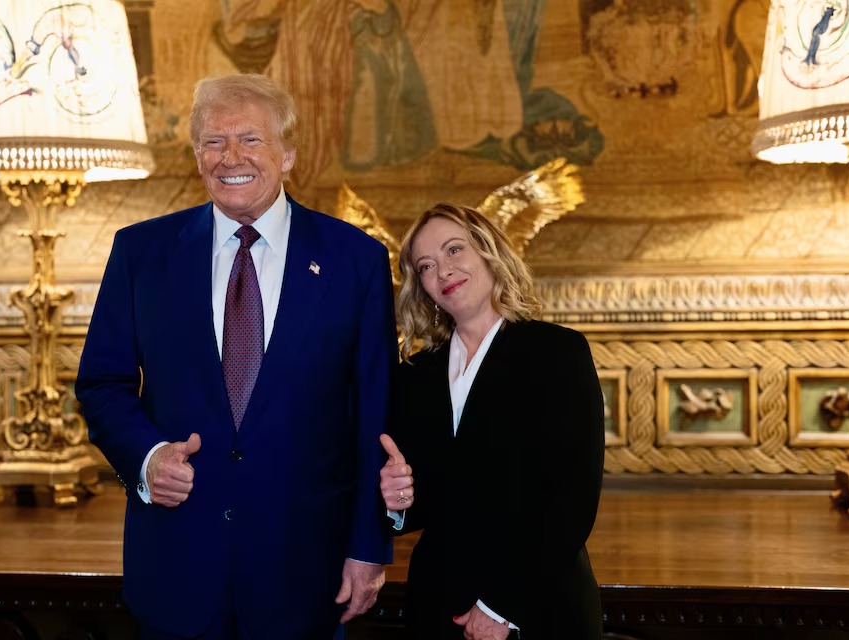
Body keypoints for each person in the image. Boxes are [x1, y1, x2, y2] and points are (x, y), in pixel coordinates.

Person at [75, 73, 396, 639]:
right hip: (177, 565)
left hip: (307, 571)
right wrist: (147, 458)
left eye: (251, 139)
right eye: (213, 141)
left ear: (288, 153)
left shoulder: (357, 260)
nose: (231, 157)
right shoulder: (140, 252)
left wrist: (369, 546)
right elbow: (102, 382)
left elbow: (374, 412)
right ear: (197, 154)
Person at [378, 203, 605, 639]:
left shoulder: (557, 353)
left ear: (489, 251)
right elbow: (426, 502)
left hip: (538, 606)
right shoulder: (416, 374)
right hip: (439, 603)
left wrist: (501, 606)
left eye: (454, 250)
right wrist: (397, 498)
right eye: (426, 266)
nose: (442, 271)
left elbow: (573, 500)